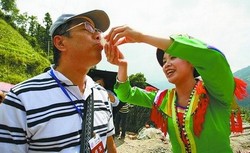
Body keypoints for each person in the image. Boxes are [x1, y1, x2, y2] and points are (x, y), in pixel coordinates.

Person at [104, 26, 248, 153]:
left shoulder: (216, 93)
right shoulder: (164, 99)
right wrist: (122, 65)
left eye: (173, 57)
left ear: (192, 60)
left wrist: (142, 37)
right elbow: (126, 94)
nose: (166, 64)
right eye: (164, 61)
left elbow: (213, 59)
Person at [0, 10, 117, 153]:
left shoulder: (101, 94)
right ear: (60, 42)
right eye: (87, 27)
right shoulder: (21, 99)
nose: (99, 35)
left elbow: (110, 147)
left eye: (98, 30)